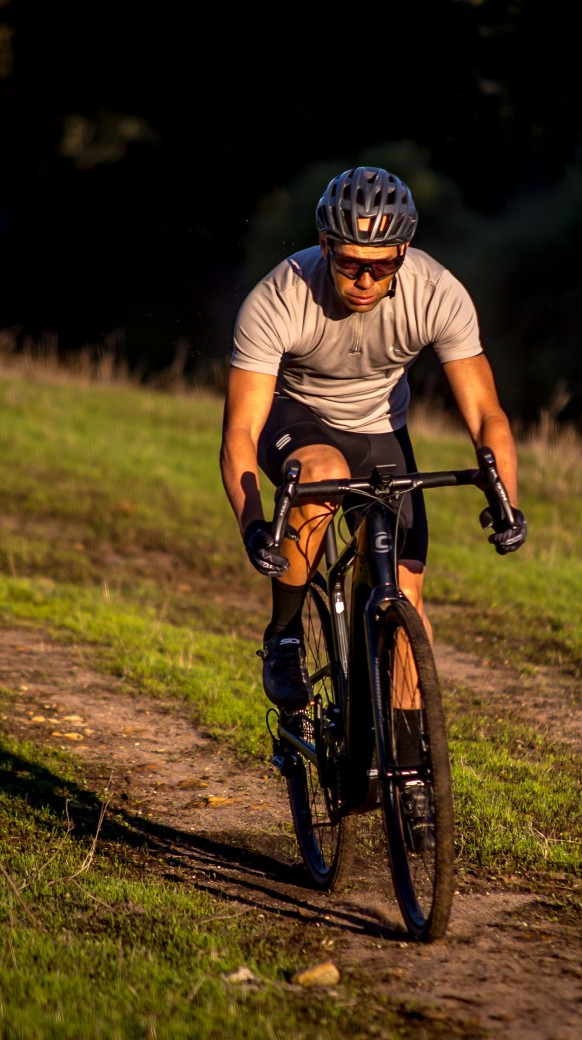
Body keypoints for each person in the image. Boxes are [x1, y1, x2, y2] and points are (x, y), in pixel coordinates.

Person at [218, 165, 526, 738]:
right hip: (296, 418)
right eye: (349, 262)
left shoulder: (437, 293)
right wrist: (253, 523)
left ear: (403, 252)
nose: (364, 279)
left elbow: (487, 415)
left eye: (380, 265)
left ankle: (412, 779)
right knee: (324, 475)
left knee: (407, 594)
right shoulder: (278, 296)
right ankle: (284, 634)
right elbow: (240, 429)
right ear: (324, 245)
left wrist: (507, 499)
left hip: (381, 428)